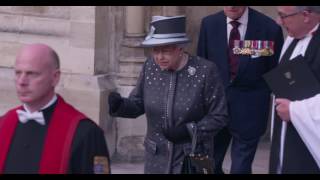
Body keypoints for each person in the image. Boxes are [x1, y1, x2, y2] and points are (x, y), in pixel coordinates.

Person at [108, 15, 228, 174]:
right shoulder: (150, 66)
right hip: (156, 159)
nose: (159, 57)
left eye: (165, 50)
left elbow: (219, 116)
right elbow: (138, 103)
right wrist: (121, 106)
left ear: (180, 48)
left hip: (193, 160)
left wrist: (189, 131)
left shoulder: (205, 71)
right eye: (155, 50)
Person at [197, 6, 284, 174]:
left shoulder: (269, 28)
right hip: (214, 109)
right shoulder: (209, 24)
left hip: (250, 111)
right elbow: (202, 67)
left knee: (240, 168)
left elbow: (275, 72)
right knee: (208, 166)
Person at [0, 44, 110, 174]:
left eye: (32, 74)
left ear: (55, 77)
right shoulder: (3, 124)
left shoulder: (86, 133)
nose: (22, 82)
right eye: (18, 73)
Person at [269, 6, 320, 174]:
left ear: (305, 16)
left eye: (283, 16)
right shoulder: (291, 39)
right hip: (284, 133)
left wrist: (294, 110)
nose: (279, 22)